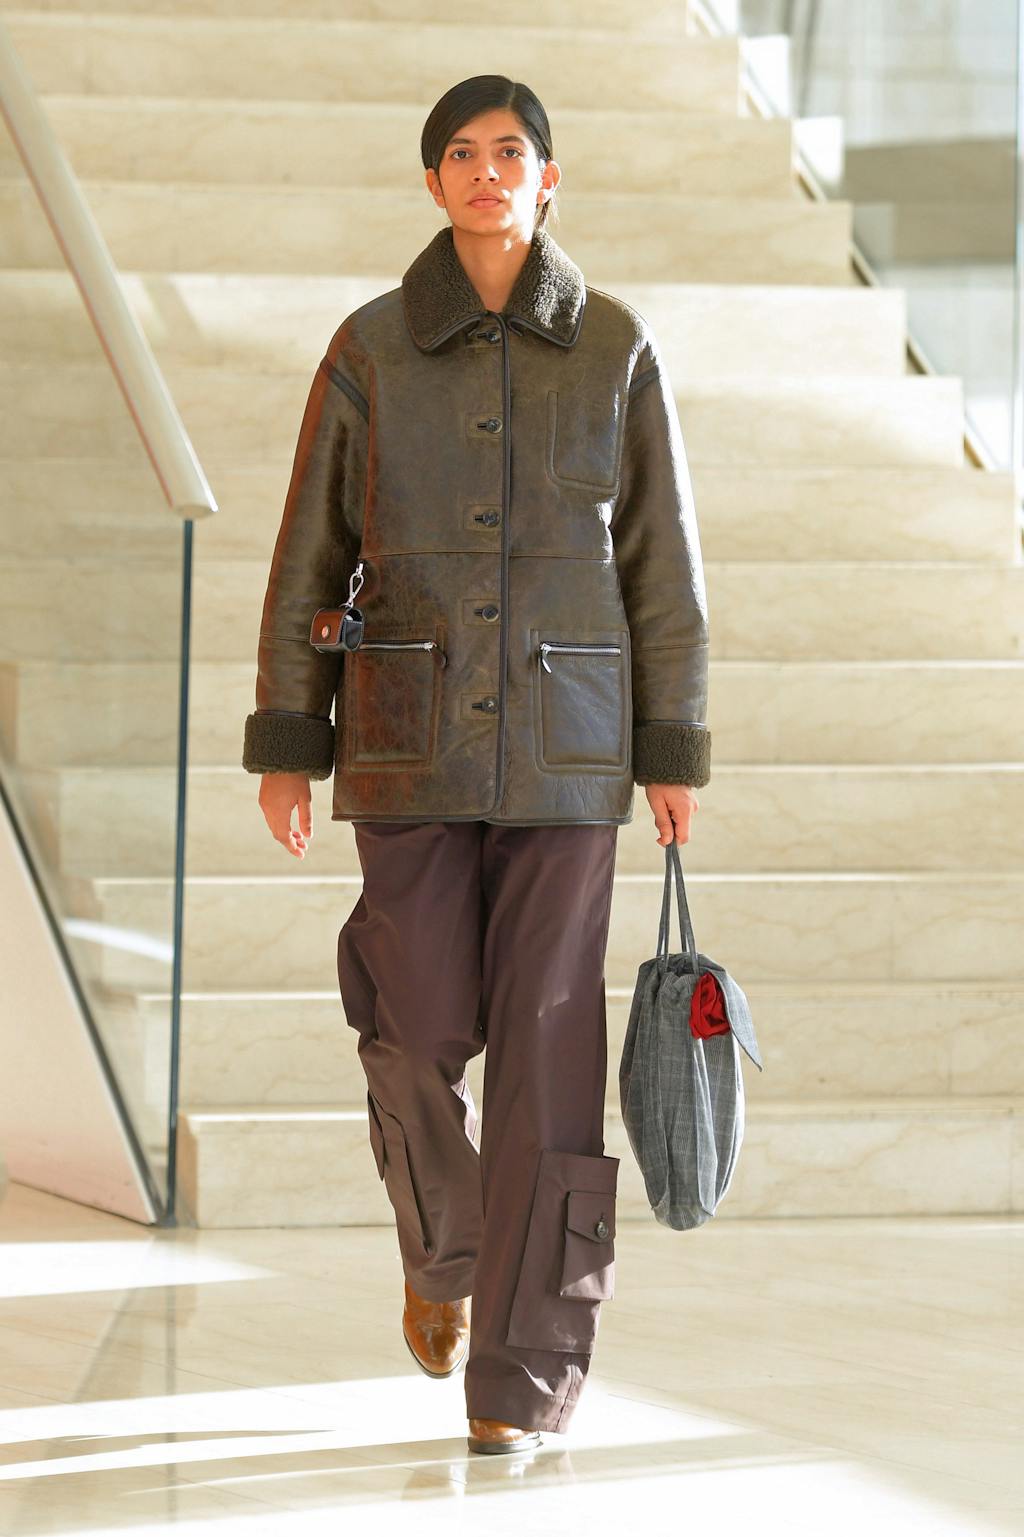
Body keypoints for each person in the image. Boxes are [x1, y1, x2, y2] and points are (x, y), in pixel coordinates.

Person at [242, 73, 711, 1455]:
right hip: (407, 739)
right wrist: (289, 739)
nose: (487, 171)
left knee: (550, 1062)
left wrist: (672, 746)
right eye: (461, 152)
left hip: (571, 755)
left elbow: (663, 563)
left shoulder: (615, 345)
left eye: (512, 152)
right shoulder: (371, 348)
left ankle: (525, 1372)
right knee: (411, 1020)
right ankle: (446, 1244)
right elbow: (308, 551)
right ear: (434, 182)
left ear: (549, 179)